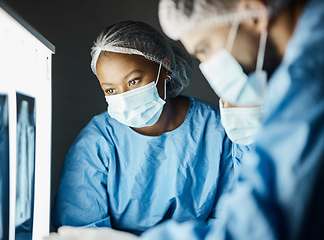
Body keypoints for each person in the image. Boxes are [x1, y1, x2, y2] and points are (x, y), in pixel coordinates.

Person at [140, 0, 324, 239]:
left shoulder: (308, 79)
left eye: (204, 49)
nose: (209, 67)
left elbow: (258, 228)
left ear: (253, 16)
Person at [51, 20, 247, 236]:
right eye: (110, 91)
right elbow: (80, 230)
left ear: (165, 68)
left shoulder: (217, 130)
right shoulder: (98, 141)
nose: (124, 97)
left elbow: (232, 220)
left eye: (133, 81)